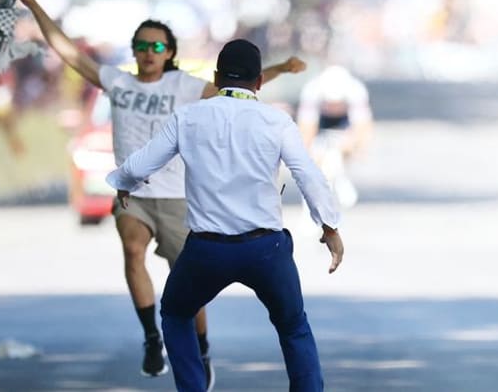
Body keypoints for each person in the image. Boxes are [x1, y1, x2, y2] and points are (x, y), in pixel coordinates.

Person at [11, 0, 306, 385]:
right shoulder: (117, 82)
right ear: (133, 51)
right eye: (142, 46)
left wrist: (279, 69)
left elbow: (234, 88)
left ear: (169, 53)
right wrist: (32, 4)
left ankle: (200, 348)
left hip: (178, 199)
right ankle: (152, 338)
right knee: (133, 249)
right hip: (136, 195)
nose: (149, 53)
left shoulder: (184, 85)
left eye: (157, 47)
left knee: (187, 285)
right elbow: (66, 51)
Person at [107, 39, 344, 392]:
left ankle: (194, 387)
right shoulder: (277, 121)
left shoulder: (189, 117)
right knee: (293, 327)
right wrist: (329, 227)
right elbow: (308, 174)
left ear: (216, 78)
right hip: (265, 250)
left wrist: (124, 182)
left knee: (175, 313)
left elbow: (143, 162)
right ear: (260, 81)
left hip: (206, 252)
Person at [296, 65, 373, 208]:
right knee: (316, 155)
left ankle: (339, 177)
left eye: (337, 103)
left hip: (345, 121)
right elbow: (306, 128)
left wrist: (357, 148)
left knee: (343, 149)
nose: (334, 107)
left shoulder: (356, 91)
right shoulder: (312, 91)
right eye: (330, 103)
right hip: (321, 121)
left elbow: (362, 126)